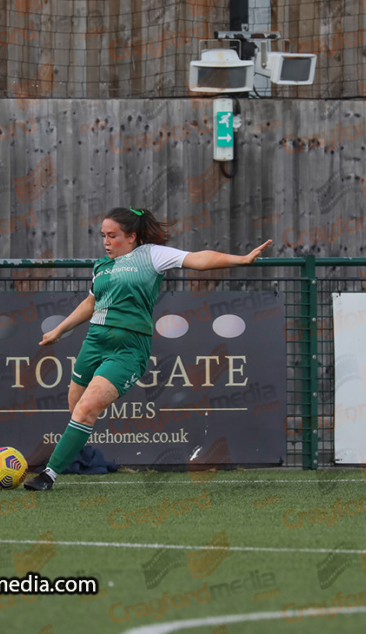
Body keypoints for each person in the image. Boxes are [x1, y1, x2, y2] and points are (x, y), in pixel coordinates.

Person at [24, 207, 271, 490]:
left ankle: (48, 475)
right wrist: (59, 330)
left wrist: (242, 259)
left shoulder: (152, 255)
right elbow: (90, 304)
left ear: (131, 236)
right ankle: (83, 457)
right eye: (103, 235)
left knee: (86, 410)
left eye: (112, 235)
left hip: (128, 348)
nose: (106, 241)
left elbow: (198, 260)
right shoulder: (101, 266)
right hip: (94, 343)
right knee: (75, 409)